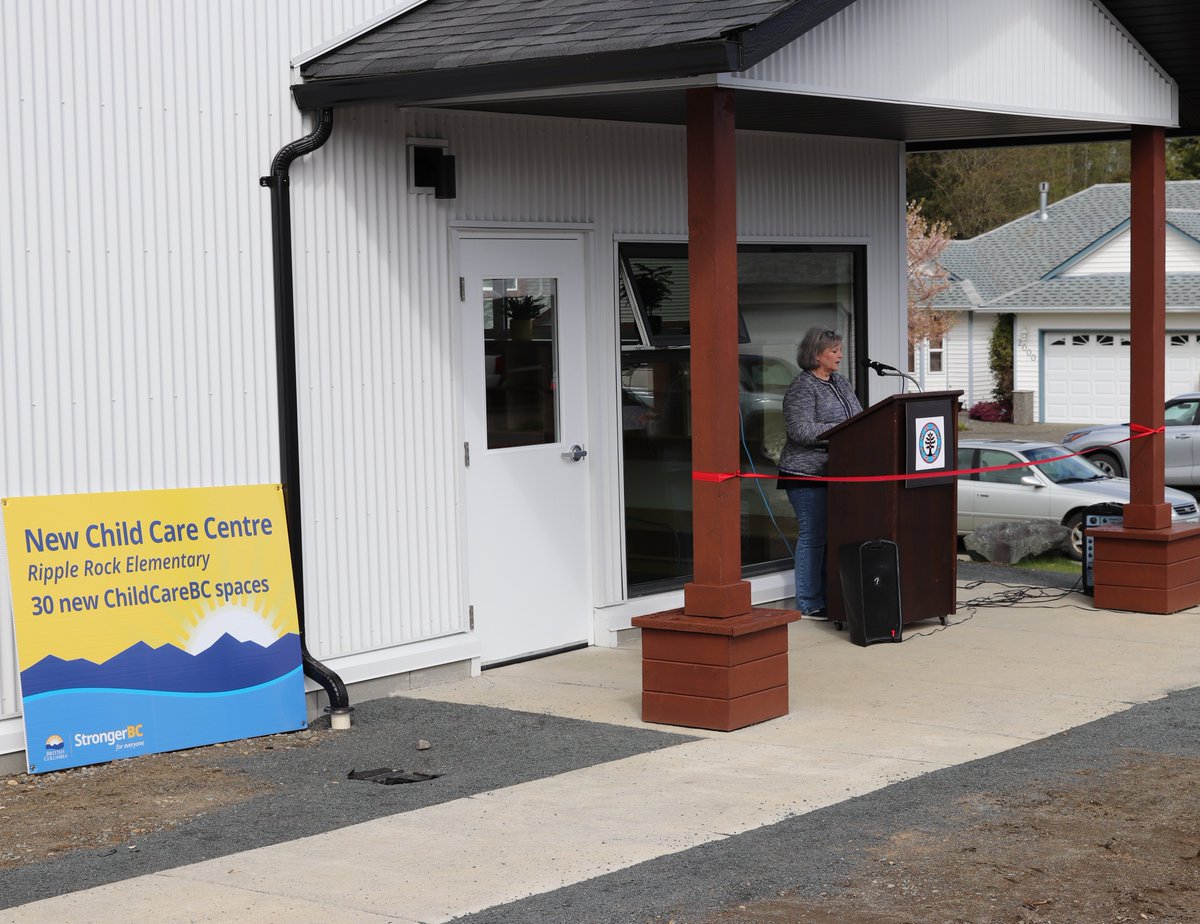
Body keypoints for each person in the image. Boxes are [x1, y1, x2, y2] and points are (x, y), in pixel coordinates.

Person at [777, 327, 862, 619]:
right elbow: (799, 430)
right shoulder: (802, 387)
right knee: (813, 537)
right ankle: (809, 602)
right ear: (816, 355)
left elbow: (860, 419)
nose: (840, 355)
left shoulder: (841, 382)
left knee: (831, 537)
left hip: (838, 472)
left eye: (840, 350)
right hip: (805, 475)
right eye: (834, 351)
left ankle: (830, 596)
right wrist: (840, 432)